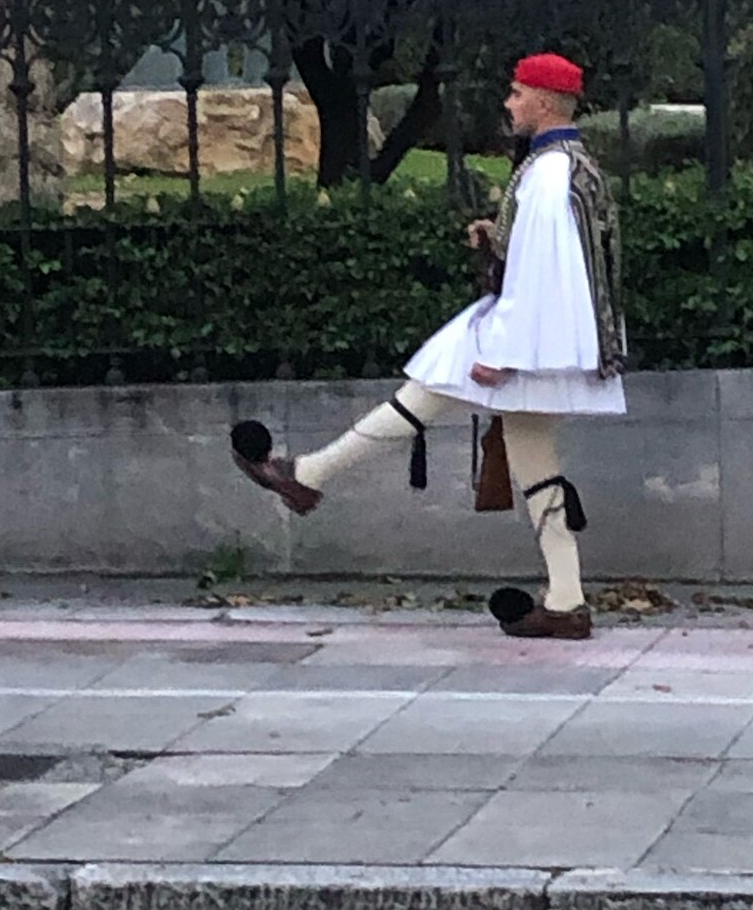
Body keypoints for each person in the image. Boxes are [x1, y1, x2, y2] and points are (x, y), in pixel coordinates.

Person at [230, 52, 626, 639]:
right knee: (534, 466)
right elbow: (556, 260)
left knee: (432, 386)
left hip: (530, 342)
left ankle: (308, 474)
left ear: (544, 102)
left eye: (517, 94)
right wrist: (498, 237)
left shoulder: (548, 173)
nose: (509, 103)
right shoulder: (569, 165)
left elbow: (545, 273)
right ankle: (566, 602)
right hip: (549, 342)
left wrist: (506, 353)